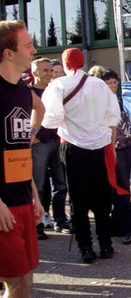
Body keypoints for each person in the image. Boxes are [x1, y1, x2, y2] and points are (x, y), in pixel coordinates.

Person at [41, 48, 122, 263]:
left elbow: (51, 118)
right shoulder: (100, 85)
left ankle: (85, 247)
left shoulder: (58, 85)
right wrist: (99, 128)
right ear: (83, 62)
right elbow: (114, 115)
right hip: (99, 145)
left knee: (78, 198)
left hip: (73, 147)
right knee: (102, 197)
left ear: (65, 65)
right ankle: (105, 244)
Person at [0, 19, 45, 298]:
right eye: (28, 45)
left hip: (22, 200)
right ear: (7, 52)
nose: (34, 50)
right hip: (2, 207)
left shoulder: (22, 91)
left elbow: (18, 150)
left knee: (23, 283)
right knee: (18, 284)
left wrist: (34, 193)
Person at [90, 67, 131, 244]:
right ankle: (115, 226)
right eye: (109, 82)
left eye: (114, 82)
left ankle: (127, 228)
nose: (113, 85)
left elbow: (127, 128)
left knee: (123, 189)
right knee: (110, 190)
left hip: (123, 149)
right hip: (106, 149)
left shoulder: (118, 100)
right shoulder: (99, 102)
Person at [30, 57, 71, 240]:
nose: (49, 74)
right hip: (39, 144)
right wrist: (34, 137)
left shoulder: (56, 91)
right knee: (38, 185)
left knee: (61, 183)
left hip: (58, 141)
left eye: (51, 70)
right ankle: (37, 224)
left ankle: (60, 220)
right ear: (35, 72)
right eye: (45, 70)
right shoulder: (28, 92)